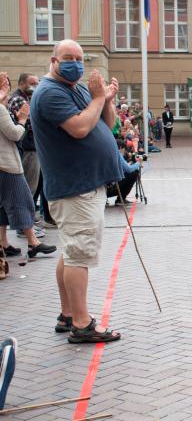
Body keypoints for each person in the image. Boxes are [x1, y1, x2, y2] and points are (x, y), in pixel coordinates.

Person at [31, 39, 123, 343]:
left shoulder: (78, 88)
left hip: (86, 185)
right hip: (74, 189)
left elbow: (105, 125)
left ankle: (68, 313)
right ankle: (82, 324)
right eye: (68, 57)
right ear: (53, 60)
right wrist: (98, 98)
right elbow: (80, 128)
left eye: (80, 58)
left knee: (71, 251)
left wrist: (106, 100)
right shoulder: (49, 93)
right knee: (79, 254)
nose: (76, 63)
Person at [0, 72, 56, 261]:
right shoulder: (7, 106)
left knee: (4, 204)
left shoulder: (4, 105)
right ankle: (33, 242)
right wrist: (23, 119)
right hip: (8, 162)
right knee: (23, 198)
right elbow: (15, 133)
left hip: (7, 161)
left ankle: (3, 243)